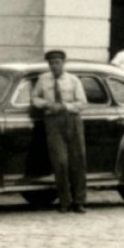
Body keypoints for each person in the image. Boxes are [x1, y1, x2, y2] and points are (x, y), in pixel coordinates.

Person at [30, 49, 87, 213]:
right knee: (60, 162)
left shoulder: (73, 80)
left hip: (72, 120)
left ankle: (79, 201)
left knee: (77, 161)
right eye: (51, 63)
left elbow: (82, 103)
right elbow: (34, 98)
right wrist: (47, 104)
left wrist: (64, 106)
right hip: (53, 122)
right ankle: (64, 201)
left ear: (63, 63)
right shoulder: (43, 79)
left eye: (57, 63)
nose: (54, 66)